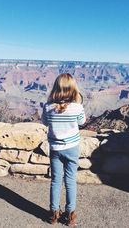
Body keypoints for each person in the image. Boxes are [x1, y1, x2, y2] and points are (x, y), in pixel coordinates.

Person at [41, 73, 86, 226]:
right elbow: (82, 121)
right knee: (70, 180)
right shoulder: (77, 107)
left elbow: (44, 122)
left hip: (55, 149)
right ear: (73, 89)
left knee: (55, 181)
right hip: (72, 148)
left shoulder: (48, 107)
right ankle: (69, 216)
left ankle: (53, 215)